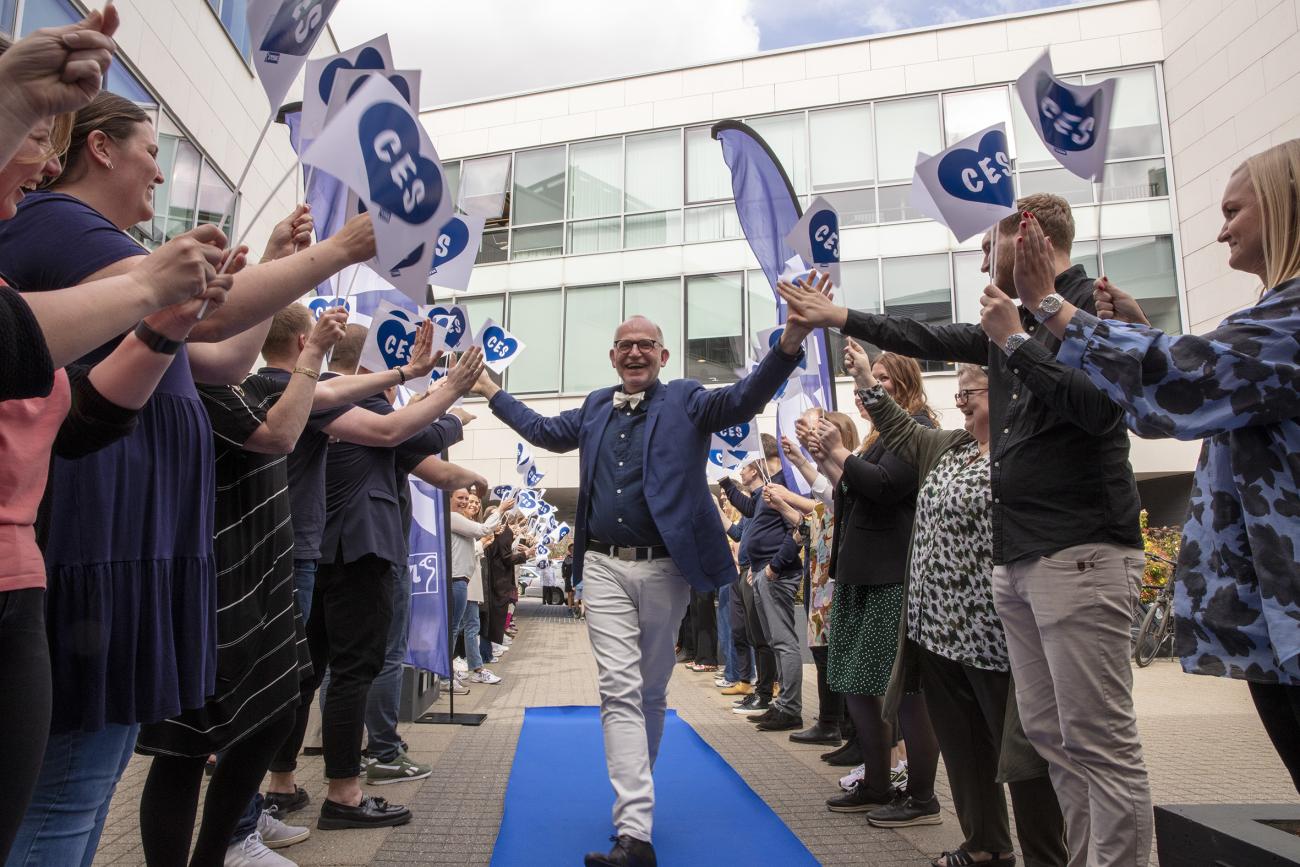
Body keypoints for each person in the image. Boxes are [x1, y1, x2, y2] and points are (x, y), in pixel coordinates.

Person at [0, 90, 378, 863]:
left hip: (137, 539)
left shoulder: (93, 236)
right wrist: (338, 250)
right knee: (68, 792)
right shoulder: (65, 224)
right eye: (150, 150)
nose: (161, 175)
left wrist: (271, 264)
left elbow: (216, 350)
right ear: (100, 148)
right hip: (100, 536)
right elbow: (207, 322)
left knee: (87, 781)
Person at [782, 192, 1152, 865]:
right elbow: (927, 337)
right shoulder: (1013, 323)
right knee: (1051, 737)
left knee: (1097, 741)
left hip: (1080, 553)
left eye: (990, 245)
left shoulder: (1081, 308)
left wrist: (1021, 333)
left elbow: (1100, 411)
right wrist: (839, 316)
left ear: (1029, 237)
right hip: (1022, 565)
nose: (981, 259)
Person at [1000, 141, 1300, 792]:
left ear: (1283, 204)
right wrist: (1135, 331)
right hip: (1277, 618)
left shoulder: (1293, 314)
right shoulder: (1270, 317)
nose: (1221, 227)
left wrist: (1051, 307)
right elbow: (1163, 413)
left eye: (1233, 210)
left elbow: (1190, 378)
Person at [472, 303, 815, 867]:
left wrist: (788, 344)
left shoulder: (686, 398)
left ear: (663, 355)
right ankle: (635, 831)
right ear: (612, 356)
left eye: (645, 344)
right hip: (603, 564)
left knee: (651, 690)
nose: (635, 351)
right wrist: (488, 387)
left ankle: (636, 796)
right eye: (624, 344)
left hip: (667, 567)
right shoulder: (593, 407)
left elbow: (744, 399)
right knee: (618, 688)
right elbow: (540, 430)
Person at [132, 310, 352, 867]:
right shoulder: (194, 384)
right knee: (184, 743)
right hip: (214, 576)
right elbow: (280, 434)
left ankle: (214, 852)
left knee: (273, 713)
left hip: (258, 574)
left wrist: (411, 376)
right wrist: (312, 357)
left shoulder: (225, 387)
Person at [846, 340, 1067, 867]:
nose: (962, 398)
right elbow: (901, 428)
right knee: (966, 754)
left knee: (1021, 756)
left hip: (996, 635)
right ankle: (987, 846)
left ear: (1009, 392)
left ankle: (1045, 855)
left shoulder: (1027, 450)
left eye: (973, 389)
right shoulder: (950, 447)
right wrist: (863, 379)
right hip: (936, 635)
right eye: (961, 389)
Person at [296, 328, 483, 831]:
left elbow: (409, 436)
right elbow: (410, 433)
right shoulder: (362, 406)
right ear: (377, 366)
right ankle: (344, 794)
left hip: (321, 553)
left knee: (309, 672)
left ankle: (282, 781)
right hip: (361, 552)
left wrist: (426, 403)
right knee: (354, 672)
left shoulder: (319, 399)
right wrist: (452, 406)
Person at [812, 352, 943, 828]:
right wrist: (828, 459)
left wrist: (840, 455)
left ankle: (923, 796)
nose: (870, 386)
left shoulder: (917, 426)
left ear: (905, 382)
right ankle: (877, 783)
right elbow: (856, 489)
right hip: (860, 573)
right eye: (868, 379)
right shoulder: (877, 436)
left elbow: (888, 487)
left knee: (902, 689)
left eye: (881, 379)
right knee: (856, 684)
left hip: (892, 576)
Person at [723, 449, 781, 718]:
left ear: (756, 468)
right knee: (753, 634)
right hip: (751, 570)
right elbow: (743, 519)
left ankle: (769, 691)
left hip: (762, 571)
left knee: (766, 637)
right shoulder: (756, 499)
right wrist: (723, 482)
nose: (741, 472)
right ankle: (762, 689)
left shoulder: (773, 490)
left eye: (744, 467)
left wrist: (765, 565)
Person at [449, 489, 511, 685]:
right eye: (462, 499)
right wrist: (500, 509)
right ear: (449, 499)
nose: (467, 503)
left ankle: (467, 669)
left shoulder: (464, 522)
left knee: (468, 626)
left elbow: (479, 535)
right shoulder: (453, 518)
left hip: (465, 581)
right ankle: (445, 674)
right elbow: (481, 532)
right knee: (455, 628)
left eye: (470, 500)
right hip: (458, 580)